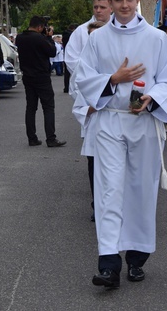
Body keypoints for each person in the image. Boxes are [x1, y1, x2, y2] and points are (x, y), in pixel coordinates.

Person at [75, 0, 167, 289]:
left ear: (137, 1)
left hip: (143, 122)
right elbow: (83, 78)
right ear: (110, 3)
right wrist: (114, 78)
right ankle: (109, 262)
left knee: (140, 189)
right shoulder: (97, 39)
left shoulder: (156, 38)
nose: (124, 5)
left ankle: (137, 258)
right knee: (109, 189)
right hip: (110, 120)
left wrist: (153, 98)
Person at [71, 20, 106, 222]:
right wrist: (88, 108)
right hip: (94, 124)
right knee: (95, 166)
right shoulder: (84, 66)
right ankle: (97, 204)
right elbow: (76, 94)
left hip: (119, 125)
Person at [15, 16, 65, 147]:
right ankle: (51, 139)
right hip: (41, 77)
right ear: (39, 27)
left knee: (31, 108)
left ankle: (32, 138)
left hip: (27, 76)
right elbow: (52, 52)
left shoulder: (20, 38)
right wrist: (49, 37)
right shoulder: (40, 38)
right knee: (48, 107)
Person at [64, 0, 112, 94]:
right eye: (95, 7)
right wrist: (90, 76)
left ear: (111, 8)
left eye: (102, 7)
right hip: (87, 84)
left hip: (113, 82)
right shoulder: (81, 31)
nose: (98, 10)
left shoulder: (118, 30)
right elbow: (71, 58)